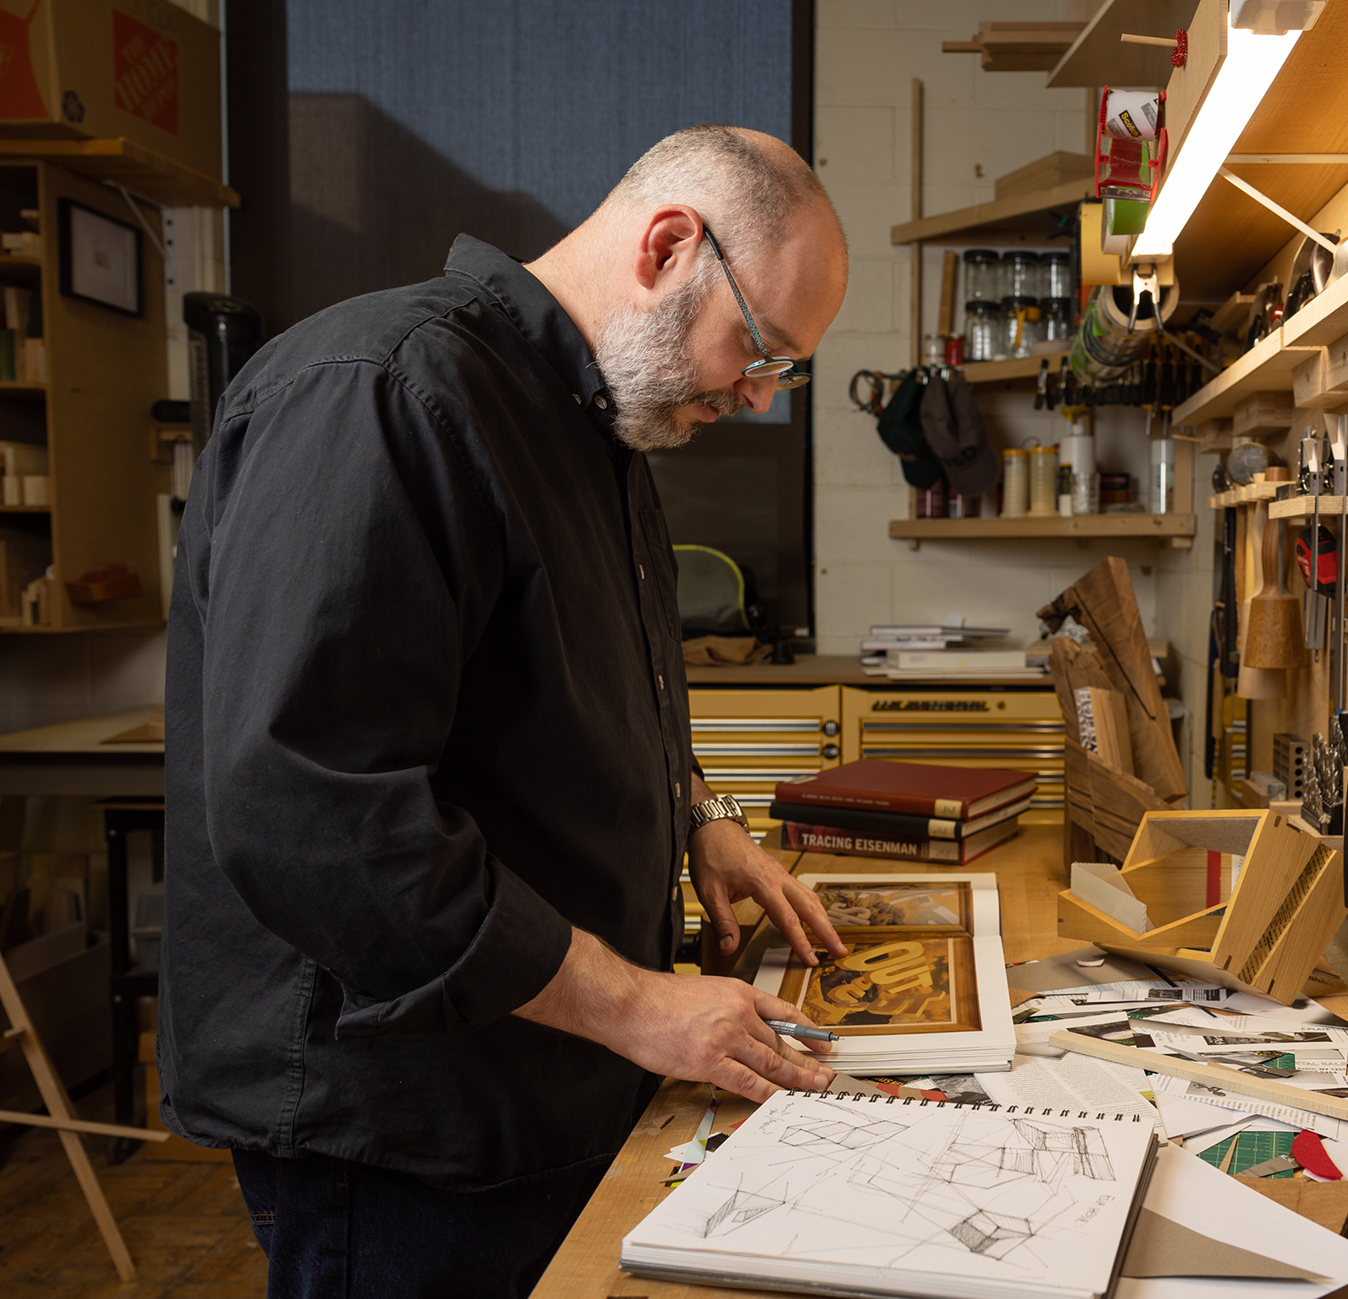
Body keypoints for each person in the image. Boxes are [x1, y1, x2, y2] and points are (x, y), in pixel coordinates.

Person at [161, 125, 851, 1298]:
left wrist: (699, 815)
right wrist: (636, 1002)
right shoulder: (382, 395)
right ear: (671, 244)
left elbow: (577, 697)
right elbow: (312, 809)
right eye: (759, 349)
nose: (755, 393)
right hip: (403, 1126)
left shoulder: (605, 425)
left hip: (547, 1082)